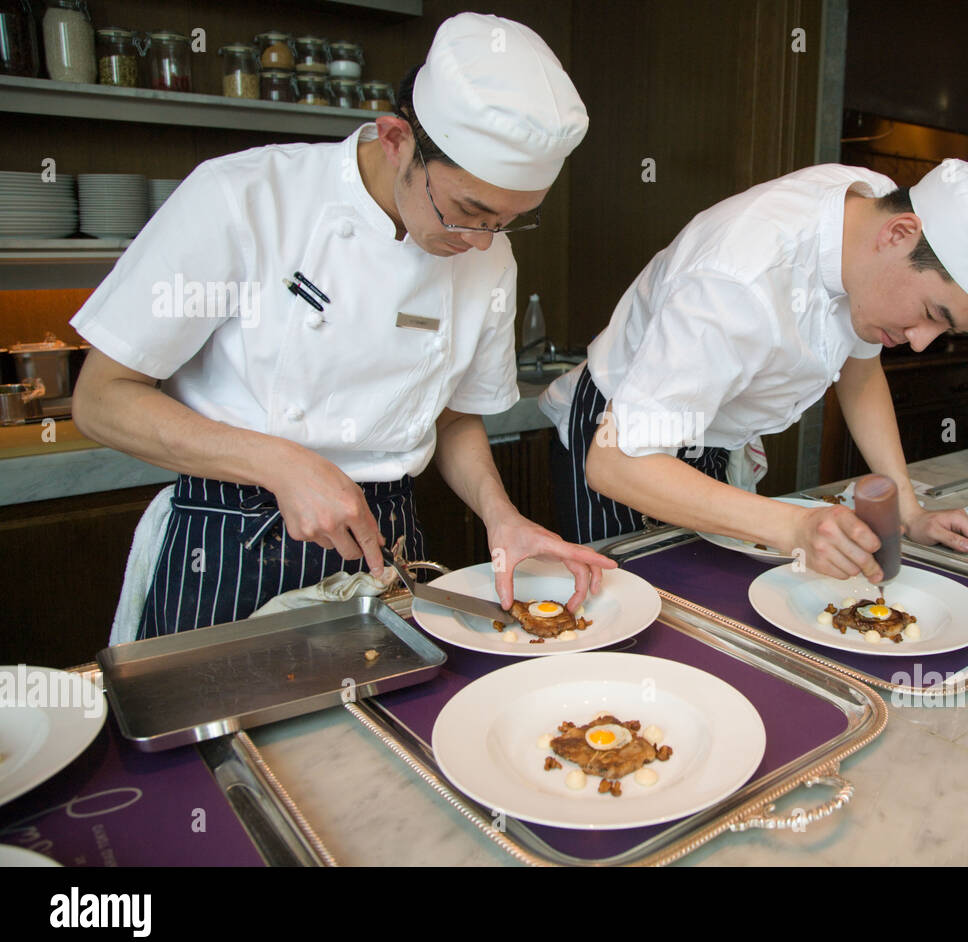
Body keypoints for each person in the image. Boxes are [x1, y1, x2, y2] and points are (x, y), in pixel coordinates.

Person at [70, 13, 614, 640]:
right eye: (468, 211)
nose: (479, 241)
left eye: (509, 221)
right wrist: (283, 464)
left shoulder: (489, 254)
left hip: (387, 541)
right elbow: (101, 397)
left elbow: (453, 413)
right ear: (394, 140)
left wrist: (502, 516)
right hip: (234, 537)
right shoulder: (243, 197)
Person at [541, 159, 968, 583]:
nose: (919, 343)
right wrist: (793, 527)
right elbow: (619, 464)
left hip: (707, 436)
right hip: (621, 435)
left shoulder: (869, 212)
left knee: (709, 594)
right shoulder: (738, 277)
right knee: (633, 608)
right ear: (899, 234)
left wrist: (907, 510)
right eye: (933, 315)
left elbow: (861, 369)